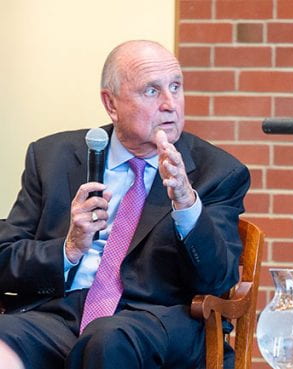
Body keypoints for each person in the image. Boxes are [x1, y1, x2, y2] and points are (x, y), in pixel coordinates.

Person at [0, 40, 250, 368]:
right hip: (60, 317)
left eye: (176, 87)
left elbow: (218, 279)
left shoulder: (216, 172)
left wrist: (187, 203)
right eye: (151, 91)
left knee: (108, 339)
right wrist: (69, 248)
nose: (170, 104)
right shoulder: (53, 158)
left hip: (157, 321)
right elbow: (5, 258)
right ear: (111, 103)